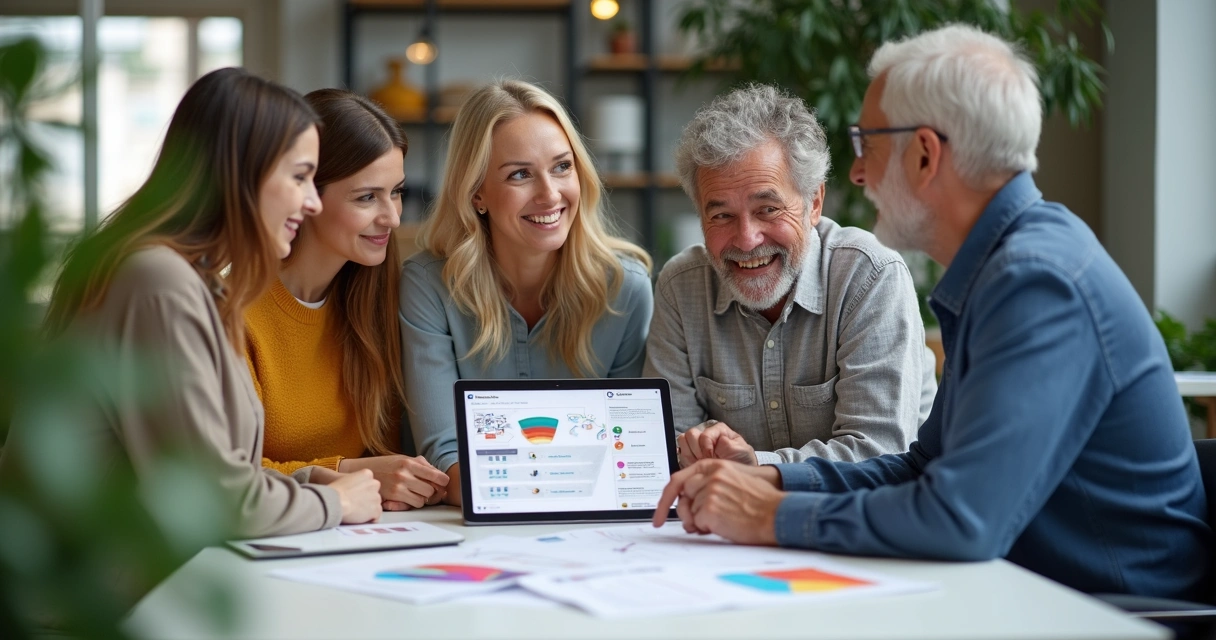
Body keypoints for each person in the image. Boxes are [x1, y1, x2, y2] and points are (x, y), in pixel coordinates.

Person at [653, 25, 1212, 601]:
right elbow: (921, 467)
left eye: (867, 144)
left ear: (924, 154)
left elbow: (962, 520)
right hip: (1035, 590)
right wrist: (769, 479)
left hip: (1117, 611)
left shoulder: (1036, 282)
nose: (859, 173)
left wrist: (770, 516)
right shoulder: (1010, 266)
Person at [4, 68, 383, 538]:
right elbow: (210, 500)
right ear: (242, 174)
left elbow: (206, 471)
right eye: (301, 178)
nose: (312, 203)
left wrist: (306, 482)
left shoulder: (189, 281)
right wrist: (333, 501)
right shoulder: (157, 281)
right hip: (89, 597)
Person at [644, 84, 937, 467]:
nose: (747, 240)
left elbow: (876, 456)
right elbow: (665, 449)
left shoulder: (870, 275)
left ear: (813, 202)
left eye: (767, 209)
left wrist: (755, 468)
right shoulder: (681, 287)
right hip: (726, 522)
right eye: (721, 216)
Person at [400, 80, 653, 506]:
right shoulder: (428, 286)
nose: (550, 194)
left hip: (593, 533)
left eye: (561, 167)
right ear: (476, 192)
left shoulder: (626, 289)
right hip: (468, 527)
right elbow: (445, 458)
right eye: (520, 174)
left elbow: (626, 455)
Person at [245, 89, 449, 510]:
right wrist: (352, 472)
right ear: (306, 196)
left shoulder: (380, 299)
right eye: (366, 197)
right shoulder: (235, 313)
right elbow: (224, 478)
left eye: (396, 192)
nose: (392, 217)